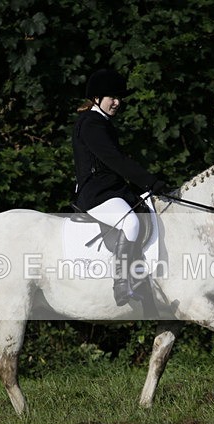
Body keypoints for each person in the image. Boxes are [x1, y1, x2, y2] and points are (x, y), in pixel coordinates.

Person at [72, 68, 165, 306]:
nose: (117, 102)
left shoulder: (102, 122)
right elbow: (114, 160)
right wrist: (149, 181)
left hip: (111, 189)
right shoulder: (91, 123)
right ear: (96, 99)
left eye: (119, 98)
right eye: (112, 97)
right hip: (96, 192)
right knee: (130, 221)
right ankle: (122, 285)